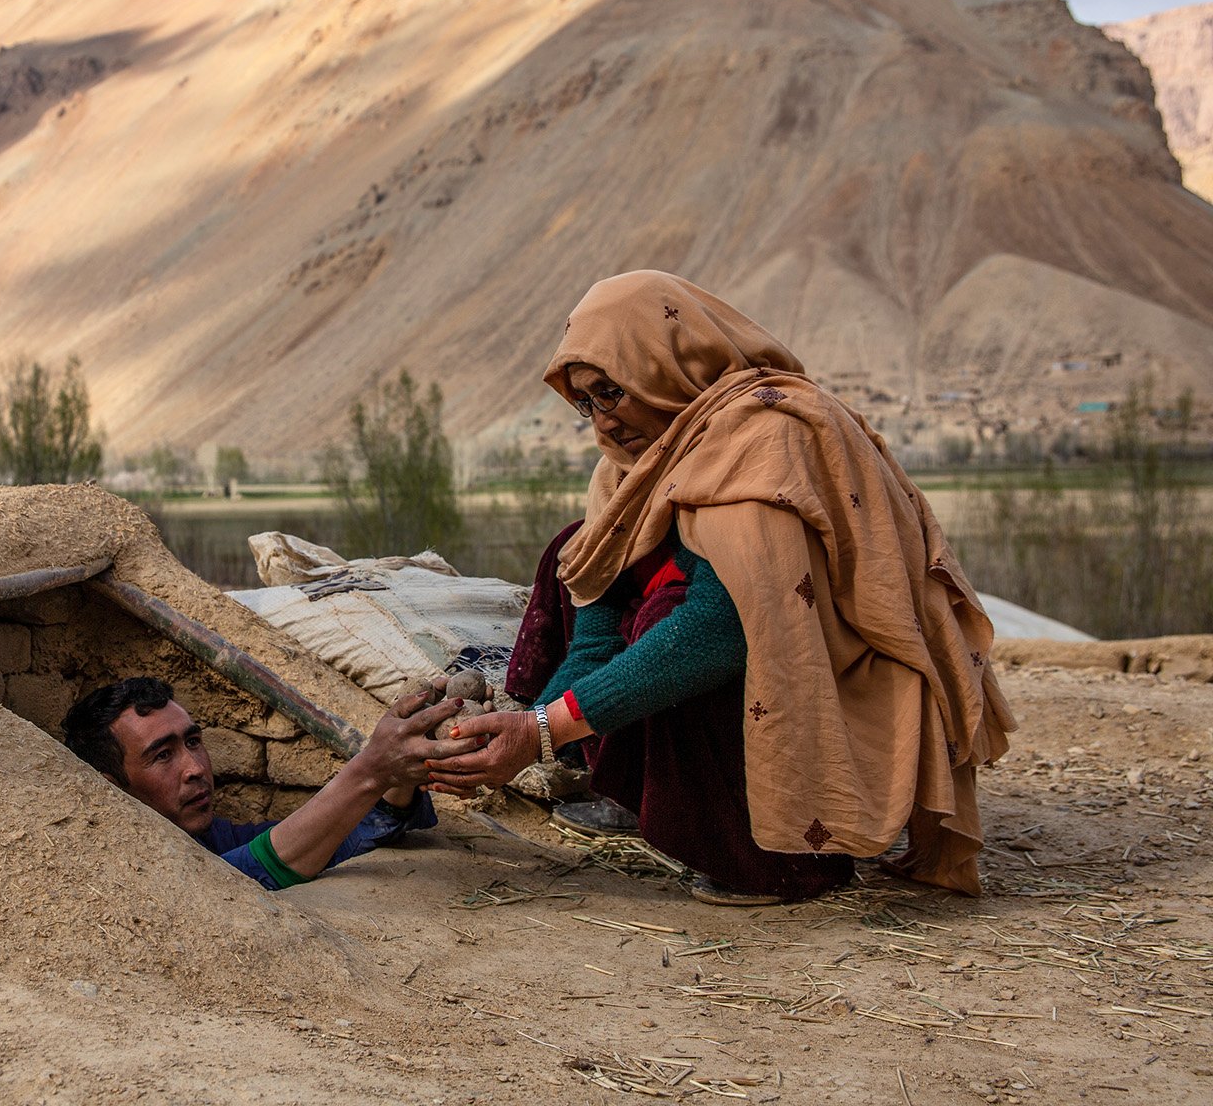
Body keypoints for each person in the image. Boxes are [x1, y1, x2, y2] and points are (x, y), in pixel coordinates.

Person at [429, 270, 1015, 905]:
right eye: (585, 402)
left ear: (665, 363)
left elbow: (723, 629)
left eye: (611, 391)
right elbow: (595, 630)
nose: (604, 420)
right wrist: (530, 729)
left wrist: (544, 730)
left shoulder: (766, 435)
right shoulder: (632, 467)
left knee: (671, 615)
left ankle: (788, 857)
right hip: (742, 642)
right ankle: (636, 787)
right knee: (576, 549)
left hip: (836, 673)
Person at [63, 676, 466, 890]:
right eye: (162, 755)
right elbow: (244, 876)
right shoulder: (121, 874)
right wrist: (371, 771)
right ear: (112, 789)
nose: (195, 768)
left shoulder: (207, 834)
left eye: (193, 742)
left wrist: (398, 780)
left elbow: (324, 842)